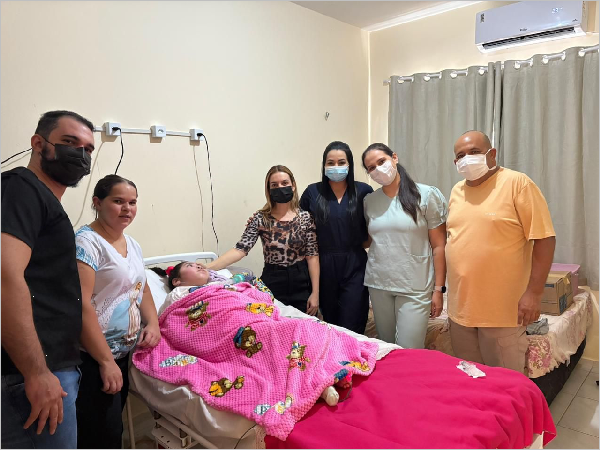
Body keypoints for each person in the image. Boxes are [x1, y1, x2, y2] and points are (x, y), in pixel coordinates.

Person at [1, 110, 95, 448]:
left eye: (88, 149)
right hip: (30, 372)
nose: (80, 154)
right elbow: (5, 276)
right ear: (38, 143)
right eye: (70, 142)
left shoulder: (45, 202)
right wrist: (37, 372)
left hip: (49, 366)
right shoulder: (21, 188)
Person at [446, 131, 556, 373]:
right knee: (470, 380)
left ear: (492, 154)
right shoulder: (456, 192)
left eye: (474, 152)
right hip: (460, 312)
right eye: (460, 156)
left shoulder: (518, 184)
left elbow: (544, 239)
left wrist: (534, 293)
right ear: (455, 163)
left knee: (505, 384)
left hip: (503, 313)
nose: (467, 159)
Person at [74, 175, 161, 448]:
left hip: (123, 354)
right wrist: (105, 362)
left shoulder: (132, 244)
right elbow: (81, 304)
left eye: (132, 202)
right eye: (118, 201)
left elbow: (142, 288)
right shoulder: (86, 243)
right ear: (97, 202)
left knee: (112, 429)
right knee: (101, 435)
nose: (127, 208)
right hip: (93, 357)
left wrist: (153, 323)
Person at [361, 143, 448, 349]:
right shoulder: (370, 201)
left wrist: (438, 289)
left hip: (415, 285)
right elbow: (370, 240)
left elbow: (439, 246)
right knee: (386, 348)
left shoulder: (426, 195)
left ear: (394, 158)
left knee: (410, 350)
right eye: (371, 168)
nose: (378, 169)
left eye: (381, 161)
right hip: (379, 284)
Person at [206, 165, 319, 315]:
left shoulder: (305, 218)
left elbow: (312, 256)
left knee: (304, 324)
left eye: (284, 183)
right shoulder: (261, 218)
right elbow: (240, 249)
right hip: (273, 279)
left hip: (301, 281)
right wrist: (207, 267)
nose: (280, 188)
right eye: (274, 185)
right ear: (269, 190)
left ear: (293, 185)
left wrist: (315, 293)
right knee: (273, 322)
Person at [299, 141, 373, 333]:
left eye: (341, 162)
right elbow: (298, 225)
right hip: (323, 265)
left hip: (355, 264)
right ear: (324, 165)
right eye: (330, 163)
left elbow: (375, 226)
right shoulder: (312, 192)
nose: (336, 167)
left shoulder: (363, 191)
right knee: (330, 324)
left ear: (350, 164)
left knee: (353, 321)